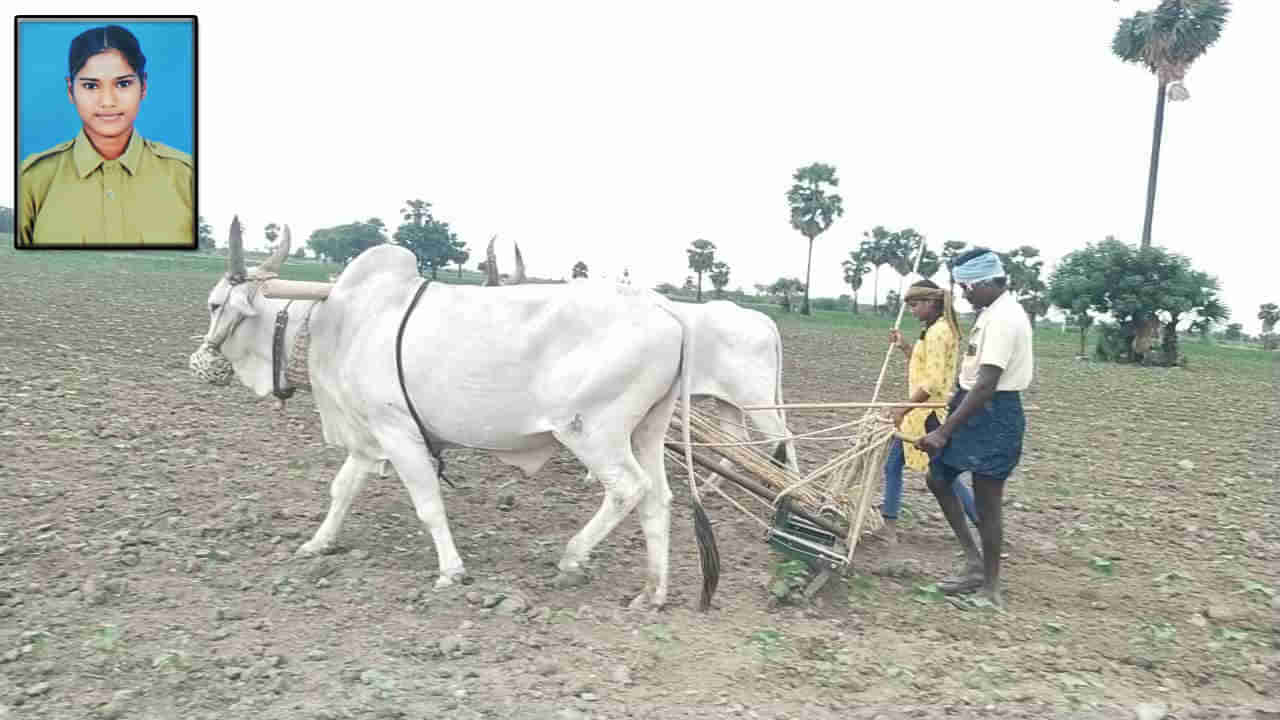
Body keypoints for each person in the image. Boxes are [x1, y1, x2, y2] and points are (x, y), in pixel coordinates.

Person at [916, 248, 1033, 610]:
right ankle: (973, 563)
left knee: (987, 504)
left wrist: (943, 431)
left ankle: (991, 590)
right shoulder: (990, 313)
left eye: (966, 287)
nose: (963, 294)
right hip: (971, 404)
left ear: (984, 281)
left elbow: (986, 384)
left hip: (993, 414)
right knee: (938, 477)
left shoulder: (1003, 319)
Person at [18, 24, 193, 247]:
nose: (108, 101)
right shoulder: (31, 179)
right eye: (91, 86)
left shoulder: (186, 176)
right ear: (70, 90)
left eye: (123, 83)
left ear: (144, 86)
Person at [880, 279, 979, 545]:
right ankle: (888, 525)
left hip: (928, 415)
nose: (911, 311)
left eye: (914, 305)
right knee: (894, 465)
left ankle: (982, 523)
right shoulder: (934, 329)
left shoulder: (938, 332)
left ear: (930, 303)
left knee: (942, 473)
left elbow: (933, 382)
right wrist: (904, 346)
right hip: (921, 413)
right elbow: (926, 366)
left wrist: (905, 407)